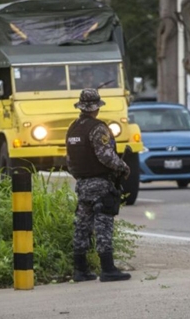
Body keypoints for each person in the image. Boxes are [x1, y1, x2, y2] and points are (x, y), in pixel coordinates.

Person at [65, 88, 131, 282]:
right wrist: (123, 167)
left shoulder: (73, 128)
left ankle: (80, 269)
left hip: (82, 183)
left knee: (82, 226)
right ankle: (108, 269)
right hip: (100, 184)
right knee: (103, 224)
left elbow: (69, 160)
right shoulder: (98, 128)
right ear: (96, 108)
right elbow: (105, 155)